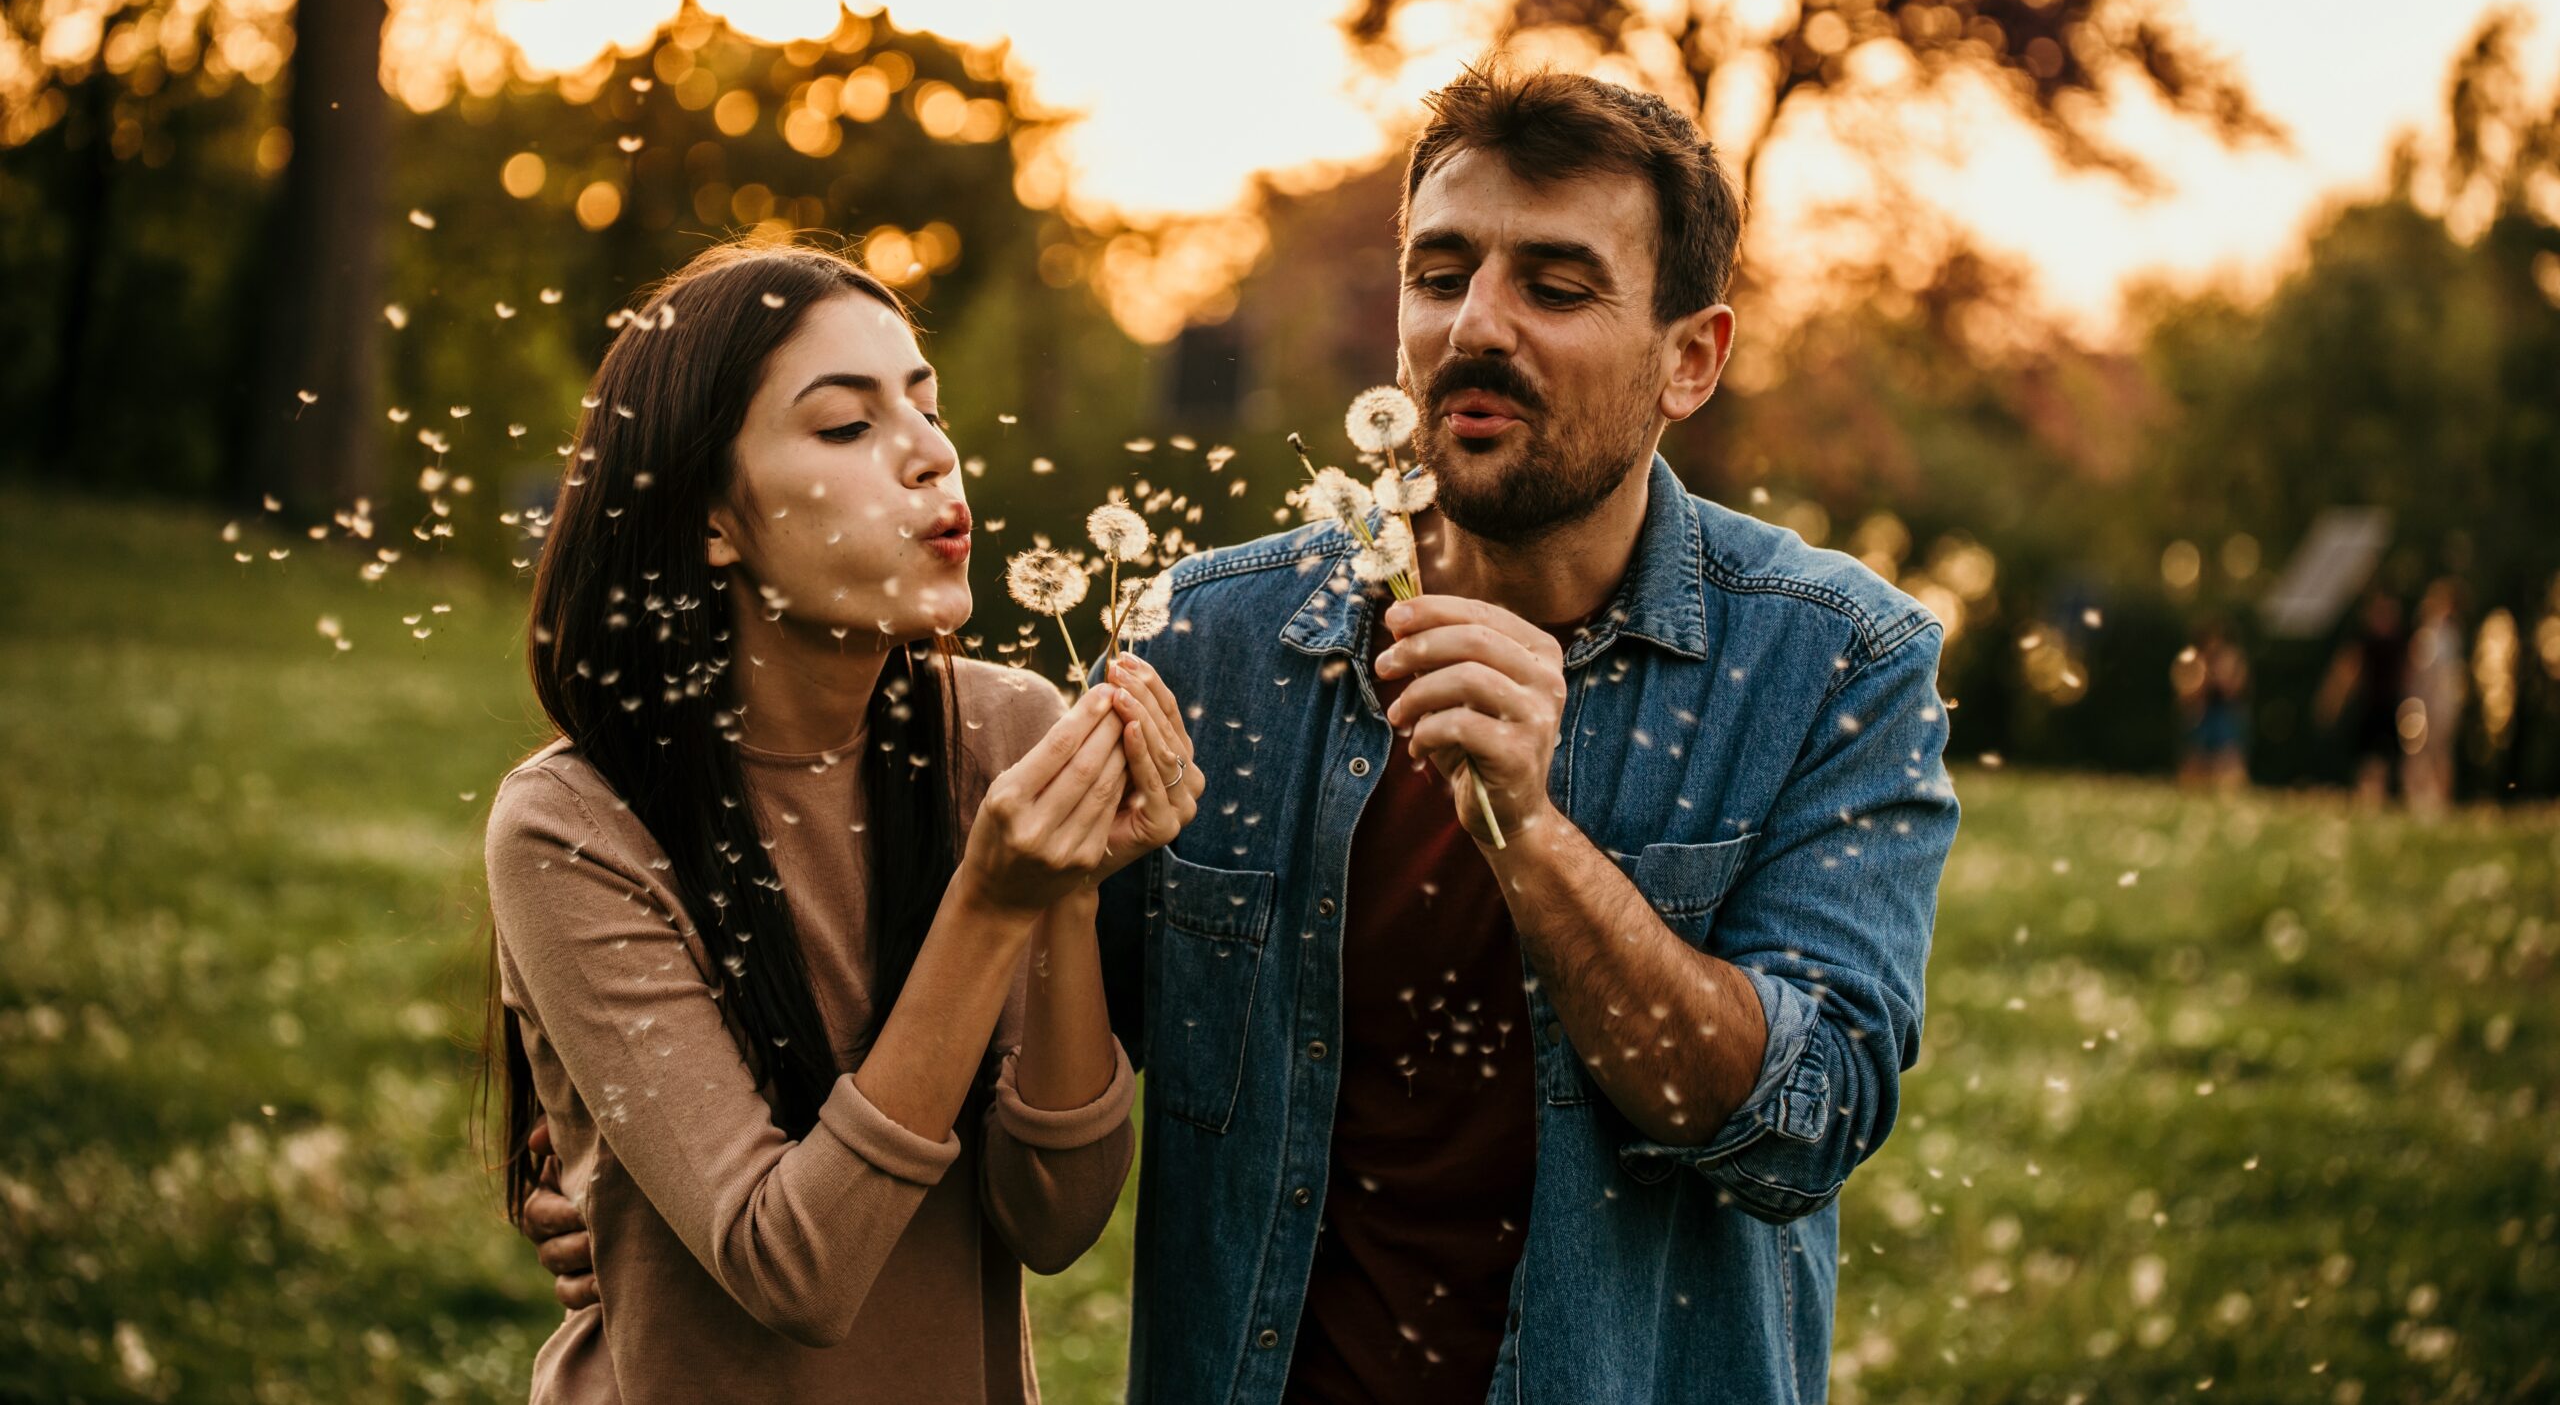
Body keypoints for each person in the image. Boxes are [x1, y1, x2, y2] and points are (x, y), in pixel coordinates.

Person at [527, 70, 1961, 1405]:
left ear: (1691, 358)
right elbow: (1001, 1054)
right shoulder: (1211, 641)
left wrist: (1533, 832)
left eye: (1559, 284)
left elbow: (1804, 1124)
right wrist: (633, 1169)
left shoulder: (1836, 661)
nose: (1477, 325)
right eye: (1442, 271)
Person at [483, 241, 1204, 1404]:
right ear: (711, 517)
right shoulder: (573, 825)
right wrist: (992, 901)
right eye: (845, 428)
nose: (930, 456)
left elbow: (1055, 1216)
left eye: (927, 407)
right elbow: (793, 1270)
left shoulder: (1006, 731)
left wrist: (1068, 890)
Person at [2318, 587, 2406, 808]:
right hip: (2368, 709)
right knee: (2367, 762)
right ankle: (2367, 801)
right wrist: (2333, 701)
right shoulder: (2364, 641)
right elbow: (2347, 672)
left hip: (2390, 708)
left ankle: (2377, 801)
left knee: (2384, 763)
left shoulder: (2398, 642)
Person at [2400, 578, 2467, 814]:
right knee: (2418, 751)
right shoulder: (2424, 634)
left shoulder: (2450, 636)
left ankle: (2440, 801)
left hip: (2442, 701)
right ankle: (2418, 801)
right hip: (2420, 701)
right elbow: (2414, 672)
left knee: (2440, 750)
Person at [2173, 617, 2251, 792]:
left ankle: (2230, 792)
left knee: (2228, 759)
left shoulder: (2233, 659)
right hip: (2200, 715)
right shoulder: (2191, 659)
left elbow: (2236, 689)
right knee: (2195, 760)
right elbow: (2185, 694)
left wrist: (2219, 678)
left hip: (2226, 714)